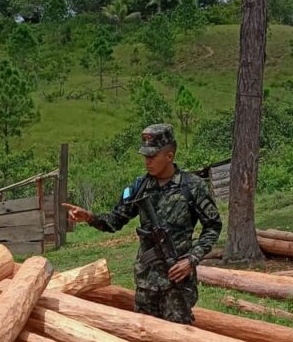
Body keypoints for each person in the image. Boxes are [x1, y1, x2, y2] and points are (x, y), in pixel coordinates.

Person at [63, 123, 222, 324]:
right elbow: (115, 221)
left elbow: (213, 226)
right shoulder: (139, 187)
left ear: (169, 156)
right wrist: (90, 217)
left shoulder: (192, 186)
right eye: (145, 156)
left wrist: (191, 260)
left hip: (177, 284)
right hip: (147, 285)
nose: (147, 161)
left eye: (152, 156)